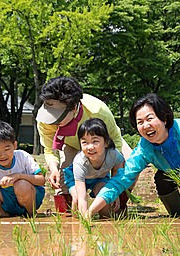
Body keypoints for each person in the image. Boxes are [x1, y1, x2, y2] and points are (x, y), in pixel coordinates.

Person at [86, 93, 180, 219]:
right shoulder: (144, 148)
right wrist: (90, 211)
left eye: (150, 119)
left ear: (164, 119)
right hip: (176, 173)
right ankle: (178, 217)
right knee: (161, 178)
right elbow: (121, 179)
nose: (146, 126)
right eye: (140, 122)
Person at [36, 76, 131, 212]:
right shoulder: (45, 119)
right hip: (71, 145)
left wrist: (114, 185)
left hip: (105, 143)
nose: (53, 121)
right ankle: (71, 213)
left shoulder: (97, 111)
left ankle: (118, 206)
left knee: (129, 168)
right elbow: (50, 149)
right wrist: (54, 169)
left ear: (74, 108)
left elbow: (115, 140)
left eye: (59, 116)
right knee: (63, 183)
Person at [63, 118, 126, 217]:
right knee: (77, 199)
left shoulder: (113, 155)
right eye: (85, 142)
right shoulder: (79, 163)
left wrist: (115, 193)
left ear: (106, 142)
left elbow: (117, 170)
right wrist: (85, 220)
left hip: (100, 176)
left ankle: (105, 218)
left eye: (95, 141)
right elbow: (82, 198)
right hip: (76, 177)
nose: (90, 147)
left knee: (105, 201)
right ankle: (76, 222)